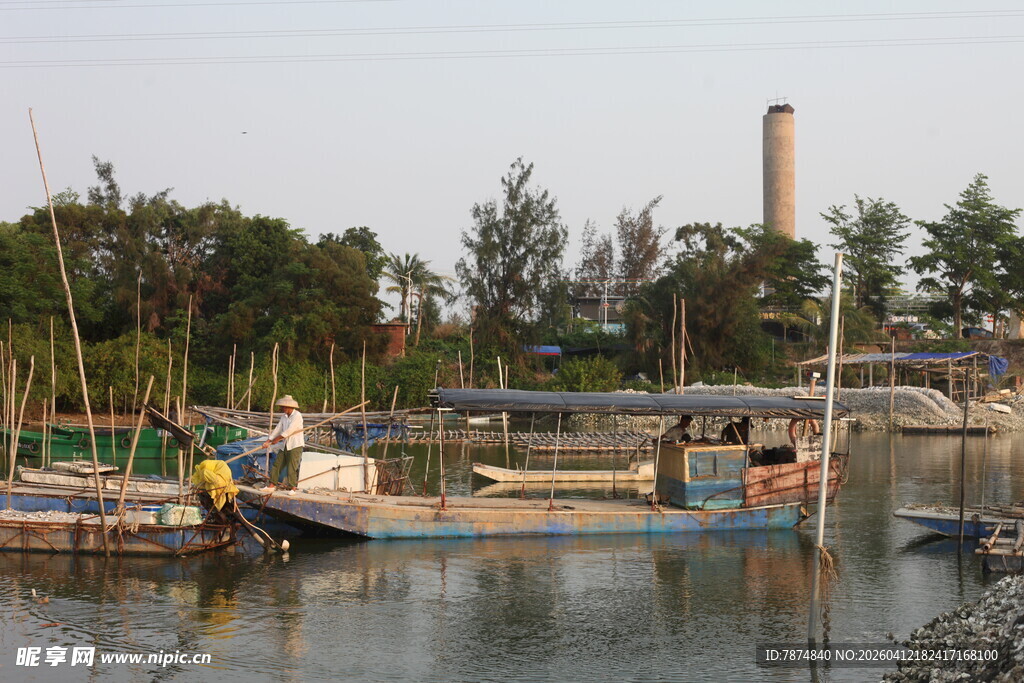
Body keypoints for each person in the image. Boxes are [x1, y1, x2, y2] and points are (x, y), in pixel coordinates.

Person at [263, 395, 304, 490]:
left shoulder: (297, 416)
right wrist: (269, 440)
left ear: (290, 407)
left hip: (295, 445)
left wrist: (277, 439)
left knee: (291, 467)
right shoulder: (284, 417)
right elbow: (278, 428)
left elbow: (290, 430)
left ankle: (293, 487)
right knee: (277, 464)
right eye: (282, 407)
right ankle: (272, 485)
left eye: (284, 407)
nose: (282, 409)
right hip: (285, 445)